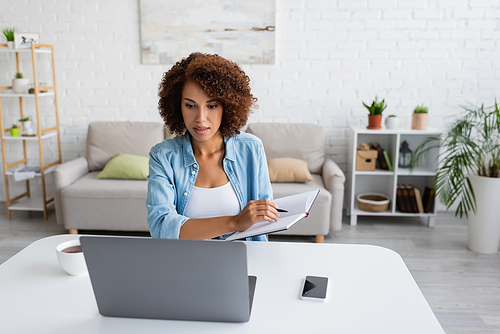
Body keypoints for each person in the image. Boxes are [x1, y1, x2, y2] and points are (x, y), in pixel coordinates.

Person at [146, 52, 279, 241]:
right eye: (190, 106)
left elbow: (263, 223)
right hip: (185, 264)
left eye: (211, 106)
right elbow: (161, 228)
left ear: (227, 106)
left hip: (242, 261)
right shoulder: (163, 156)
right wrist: (234, 222)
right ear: (177, 107)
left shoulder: (251, 149)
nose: (200, 118)